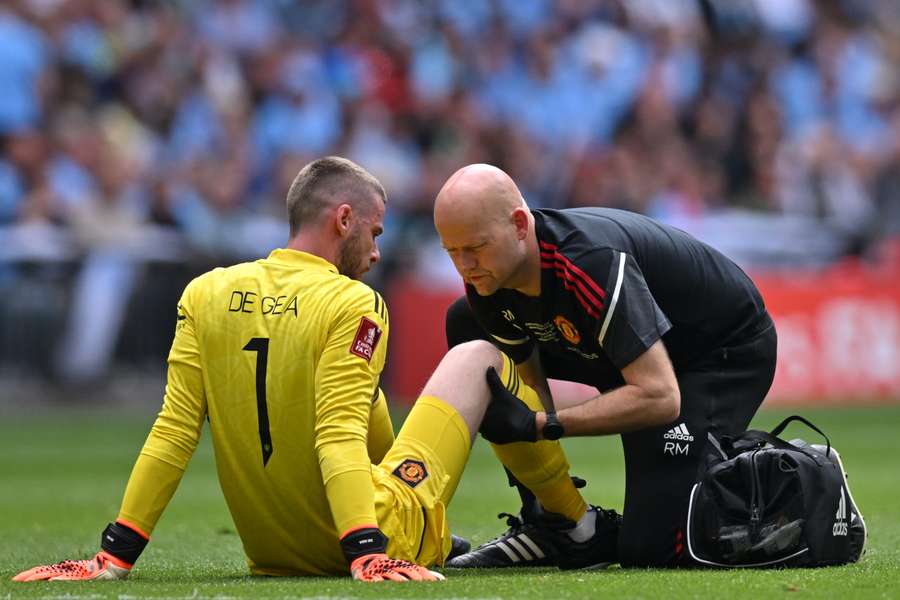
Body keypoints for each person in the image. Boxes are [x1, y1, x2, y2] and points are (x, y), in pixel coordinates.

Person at [13, 157, 609, 583]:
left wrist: (114, 554)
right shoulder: (352, 303)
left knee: (356, 395)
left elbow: (173, 433)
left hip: (274, 552)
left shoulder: (206, 292)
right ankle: (570, 523)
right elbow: (337, 439)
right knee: (479, 354)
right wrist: (368, 550)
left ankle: (438, 536)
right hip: (363, 537)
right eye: (373, 233)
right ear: (343, 220)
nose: (376, 254)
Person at [434, 163, 778, 568]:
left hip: (716, 353)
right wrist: (548, 483)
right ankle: (557, 525)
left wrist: (544, 423)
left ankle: (779, 475)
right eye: (452, 252)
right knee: (467, 324)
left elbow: (661, 397)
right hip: (620, 351)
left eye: (475, 247)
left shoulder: (590, 263)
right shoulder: (488, 277)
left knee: (653, 549)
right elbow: (529, 383)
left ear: (520, 225)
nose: (465, 265)